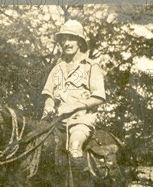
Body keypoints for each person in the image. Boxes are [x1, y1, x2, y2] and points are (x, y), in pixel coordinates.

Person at [41, 20, 106, 170]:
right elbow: (48, 95)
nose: (67, 43)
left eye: (71, 38)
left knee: (75, 146)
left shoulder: (91, 67)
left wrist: (72, 108)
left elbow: (99, 97)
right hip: (54, 122)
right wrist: (49, 105)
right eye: (63, 39)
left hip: (80, 120)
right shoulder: (56, 69)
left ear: (80, 42)